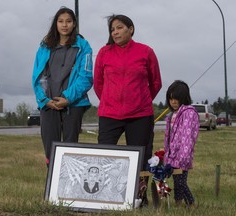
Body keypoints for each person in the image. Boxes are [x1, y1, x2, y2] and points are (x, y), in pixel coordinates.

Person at [93, 14, 162, 206]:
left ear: (131, 29)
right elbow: (98, 84)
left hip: (140, 115)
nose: (115, 32)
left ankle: (139, 198)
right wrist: (109, 100)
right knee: (105, 155)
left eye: (119, 27)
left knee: (142, 158)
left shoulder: (146, 52)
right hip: (109, 114)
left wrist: (141, 100)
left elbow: (155, 82)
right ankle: (106, 196)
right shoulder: (104, 53)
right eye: (112, 29)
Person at [32, 7, 93, 166]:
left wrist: (67, 98)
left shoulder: (83, 46)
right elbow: (36, 77)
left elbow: (86, 77)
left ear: (74, 24)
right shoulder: (45, 46)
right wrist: (44, 99)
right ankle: (52, 187)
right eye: (61, 21)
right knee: (50, 148)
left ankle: (68, 187)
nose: (64, 25)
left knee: (70, 147)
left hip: (73, 104)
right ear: (56, 24)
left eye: (68, 21)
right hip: (48, 104)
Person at [164, 80, 199, 207]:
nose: (173, 101)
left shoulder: (188, 113)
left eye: (176, 98)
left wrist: (183, 156)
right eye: (171, 98)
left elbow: (187, 136)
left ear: (183, 98)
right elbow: (168, 137)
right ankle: (178, 204)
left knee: (181, 182)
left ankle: (191, 203)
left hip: (182, 155)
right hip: (172, 156)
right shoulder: (172, 115)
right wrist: (166, 154)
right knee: (176, 181)